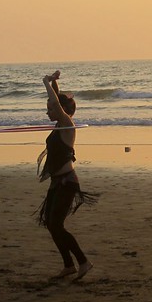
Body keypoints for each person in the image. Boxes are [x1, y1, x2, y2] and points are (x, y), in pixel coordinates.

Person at [36, 70, 99, 281]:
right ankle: (68, 265)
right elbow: (56, 100)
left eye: (49, 109)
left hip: (67, 183)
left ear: (60, 110)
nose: (47, 113)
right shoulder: (59, 125)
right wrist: (54, 83)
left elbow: (57, 104)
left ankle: (83, 262)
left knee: (57, 225)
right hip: (56, 183)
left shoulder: (68, 126)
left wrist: (45, 82)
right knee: (51, 224)